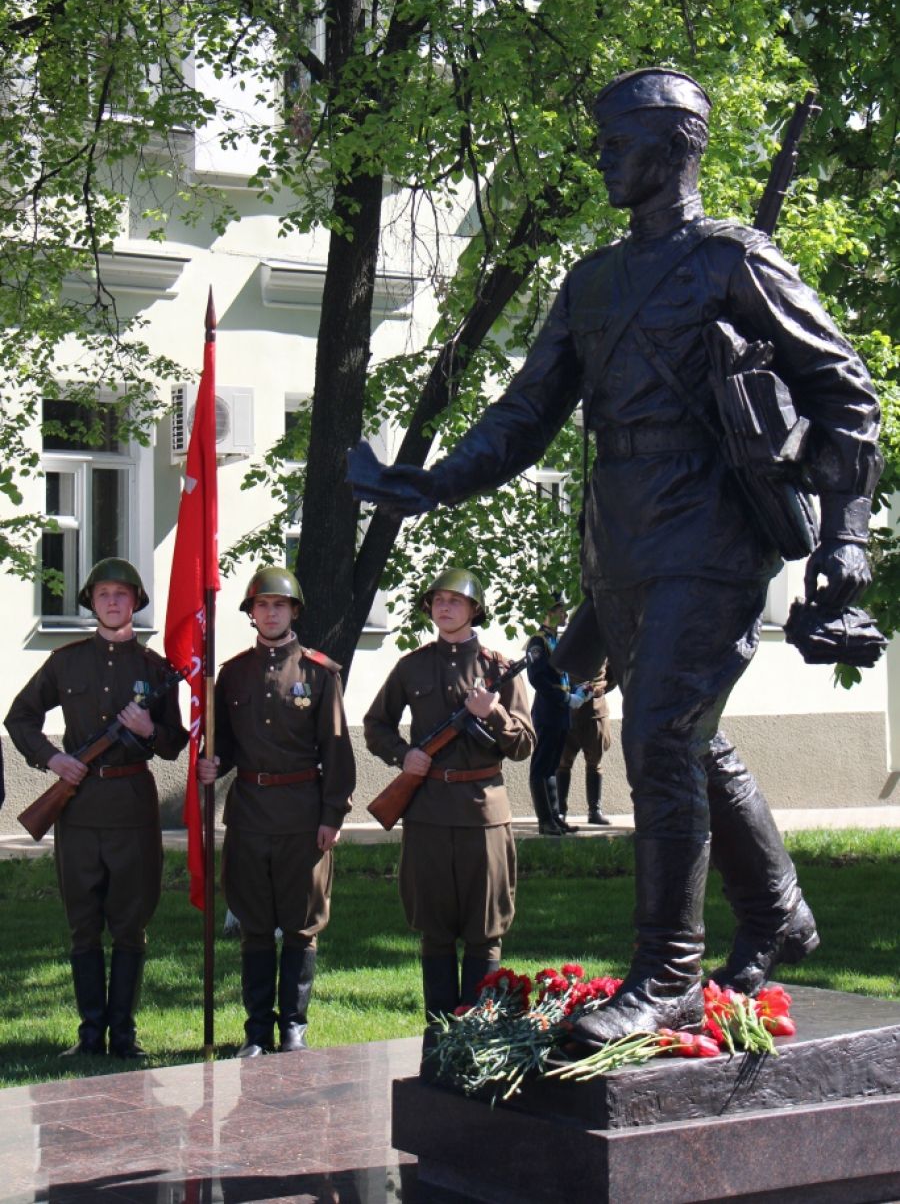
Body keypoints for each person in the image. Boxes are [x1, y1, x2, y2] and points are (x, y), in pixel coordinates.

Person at [348, 67, 882, 1045]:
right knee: (687, 734)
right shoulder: (591, 282)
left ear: (675, 144)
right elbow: (526, 409)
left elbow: (847, 392)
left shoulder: (735, 261)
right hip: (621, 537)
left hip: (714, 532)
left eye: (618, 138)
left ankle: (670, 971)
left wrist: (846, 538)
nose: (601, 154)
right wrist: (431, 482)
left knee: (660, 740)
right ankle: (776, 911)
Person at [4, 558, 188, 1058]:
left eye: (122, 594)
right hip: (78, 808)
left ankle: (123, 1035)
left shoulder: (155, 671)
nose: (112, 601)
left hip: (131, 806)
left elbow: (174, 741)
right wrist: (52, 758)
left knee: (130, 921)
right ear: (91, 601)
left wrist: (150, 731)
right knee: (83, 921)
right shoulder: (66, 662)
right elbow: (20, 717)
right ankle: (89, 1036)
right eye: (104, 593)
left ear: (135, 603)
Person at [363, 568, 535, 1023]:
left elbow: (523, 746)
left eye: (455, 601)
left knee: (485, 929)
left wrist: (493, 713)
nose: (445, 607)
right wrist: (404, 757)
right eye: (438, 600)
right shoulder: (412, 666)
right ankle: (439, 1029)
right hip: (429, 811)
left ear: (474, 609)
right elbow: (375, 725)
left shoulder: (499, 669)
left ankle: (479, 1029)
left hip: (483, 811)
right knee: (435, 930)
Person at [196, 566, 355, 1057]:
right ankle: (256, 1031)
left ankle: (294, 1027)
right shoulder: (234, 673)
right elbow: (224, 744)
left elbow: (336, 750)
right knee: (256, 925)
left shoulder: (318, 673)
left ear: (294, 612)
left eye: (279, 605)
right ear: (251, 614)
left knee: (301, 924)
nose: (270, 612)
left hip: (303, 815)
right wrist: (213, 763)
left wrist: (332, 815)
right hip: (248, 814)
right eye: (261, 605)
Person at [525, 595, 585, 835]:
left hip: (560, 713)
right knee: (541, 765)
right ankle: (544, 820)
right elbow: (537, 678)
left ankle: (555, 816)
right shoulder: (538, 641)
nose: (564, 615)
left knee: (553, 765)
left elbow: (562, 675)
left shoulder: (554, 640)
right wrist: (564, 698)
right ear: (548, 613)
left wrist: (577, 692)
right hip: (548, 710)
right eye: (560, 610)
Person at [557, 665, 612, 827]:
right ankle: (560, 810)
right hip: (567, 709)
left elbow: (613, 672)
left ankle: (595, 811)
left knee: (595, 762)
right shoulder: (562, 641)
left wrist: (601, 688)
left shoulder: (604, 641)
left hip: (595, 711)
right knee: (562, 762)